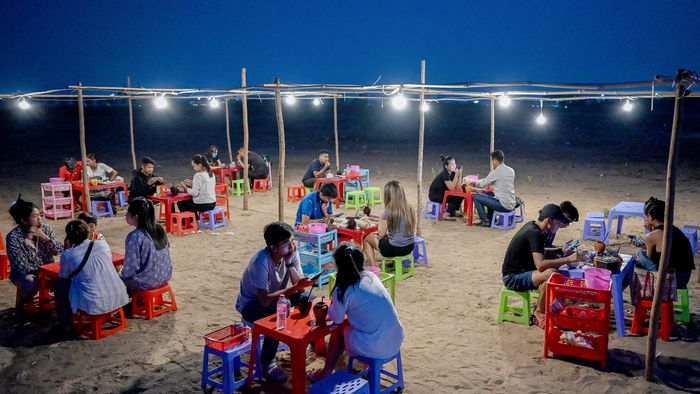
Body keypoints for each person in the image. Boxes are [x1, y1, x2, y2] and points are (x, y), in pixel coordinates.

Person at [308, 244, 404, 382]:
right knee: (361, 324)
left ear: (339, 266)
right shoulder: (371, 276)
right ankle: (370, 370)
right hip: (395, 339)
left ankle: (326, 372)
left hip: (377, 346)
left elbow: (336, 318)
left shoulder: (343, 289)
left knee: (339, 330)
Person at [235, 222, 315, 383]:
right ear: (273, 248)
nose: (292, 246)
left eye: (292, 241)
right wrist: (296, 287)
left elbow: (297, 285)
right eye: (286, 244)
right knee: (277, 313)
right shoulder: (260, 262)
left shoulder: (290, 253)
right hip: (251, 305)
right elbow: (264, 301)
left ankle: (308, 339)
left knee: (308, 299)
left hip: (277, 298)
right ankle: (268, 363)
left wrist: (290, 264)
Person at [501, 204, 579, 328]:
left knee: (553, 270)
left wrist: (560, 252)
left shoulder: (534, 228)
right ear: (548, 221)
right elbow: (540, 265)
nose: (559, 227)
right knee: (551, 273)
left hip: (524, 271)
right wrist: (568, 259)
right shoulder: (534, 233)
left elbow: (541, 254)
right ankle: (538, 313)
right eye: (558, 224)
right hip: (512, 278)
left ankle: (547, 306)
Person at [53, 220, 128, 336]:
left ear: (69, 238)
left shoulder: (68, 255)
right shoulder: (102, 244)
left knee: (60, 284)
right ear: (88, 233)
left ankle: (65, 324)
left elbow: (63, 275)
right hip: (119, 295)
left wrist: (67, 249)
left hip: (93, 303)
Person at [6, 196, 63, 319]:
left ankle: (60, 308)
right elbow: (20, 266)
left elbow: (59, 250)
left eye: (39, 215)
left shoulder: (45, 229)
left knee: (65, 278)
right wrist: (42, 272)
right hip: (24, 274)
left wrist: (46, 239)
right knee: (31, 283)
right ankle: (21, 305)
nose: (39, 218)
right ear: (24, 220)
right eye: (35, 216)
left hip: (46, 271)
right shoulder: (13, 238)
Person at [635, 197, 695, 289]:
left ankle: (621, 292)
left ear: (650, 216)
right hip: (685, 277)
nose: (646, 218)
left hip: (671, 279)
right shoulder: (675, 230)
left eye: (646, 216)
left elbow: (650, 258)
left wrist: (647, 243)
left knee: (640, 255)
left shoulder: (651, 236)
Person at [120, 198, 173, 293]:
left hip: (146, 282)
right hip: (165, 275)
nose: (126, 216)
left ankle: (131, 304)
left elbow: (131, 269)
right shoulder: (159, 229)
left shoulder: (135, 237)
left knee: (116, 279)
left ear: (136, 217)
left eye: (127, 213)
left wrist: (121, 274)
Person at [363, 181, 417, 267]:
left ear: (388, 196)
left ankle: (373, 266)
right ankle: (392, 262)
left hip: (395, 248)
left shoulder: (389, 211)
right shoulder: (410, 208)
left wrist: (381, 218)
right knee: (390, 238)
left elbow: (381, 233)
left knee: (366, 238)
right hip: (409, 246)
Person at [467, 150, 516, 227]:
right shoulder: (511, 170)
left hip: (503, 205)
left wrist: (472, 183)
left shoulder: (496, 172)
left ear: (495, 160)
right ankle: (490, 218)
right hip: (512, 204)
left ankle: (485, 220)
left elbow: (482, 184)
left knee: (476, 197)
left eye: (492, 161)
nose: (492, 163)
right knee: (489, 195)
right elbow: (489, 181)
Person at [176, 154, 216, 219]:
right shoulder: (211, 174)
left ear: (199, 165)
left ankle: (191, 220)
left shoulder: (198, 175)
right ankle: (195, 218)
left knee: (181, 203)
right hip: (212, 203)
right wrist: (193, 185)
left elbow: (195, 193)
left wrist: (185, 187)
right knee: (191, 201)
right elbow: (205, 188)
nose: (193, 168)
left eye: (193, 166)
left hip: (203, 205)